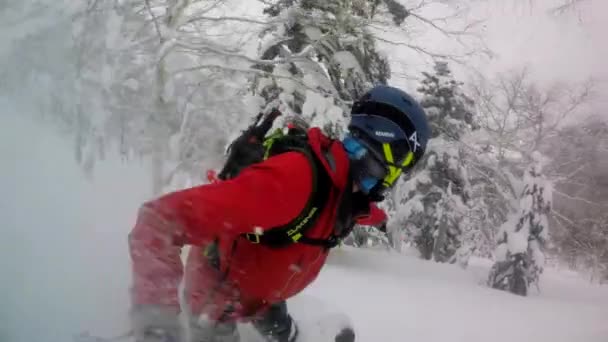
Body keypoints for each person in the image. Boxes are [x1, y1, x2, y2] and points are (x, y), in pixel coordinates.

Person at [128, 85, 430, 342]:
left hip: (265, 302)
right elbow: (159, 221)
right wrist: (158, 324)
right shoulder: (296, 181)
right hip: (218, 299)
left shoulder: (347, 197)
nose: (394, 180)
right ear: (387, 156)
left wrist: (382, 221)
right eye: (400, 169)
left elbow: (359, 213)